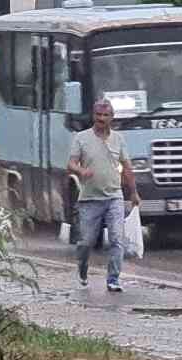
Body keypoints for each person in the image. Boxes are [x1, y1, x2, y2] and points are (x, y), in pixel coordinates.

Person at [68, 98, 141, 293]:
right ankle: (82, 270)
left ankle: (113, 279)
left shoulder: (118, 139)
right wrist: (81, 171)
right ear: (93, 116)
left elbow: (127, 167)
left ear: (112, 118)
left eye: (105, 115)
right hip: (89, 199)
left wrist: (133, 192)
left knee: (117, 239)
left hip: (114, 197)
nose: (101, 119)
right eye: (98, 115)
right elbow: (71, 163)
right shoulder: (81, 138)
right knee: (86, 242)